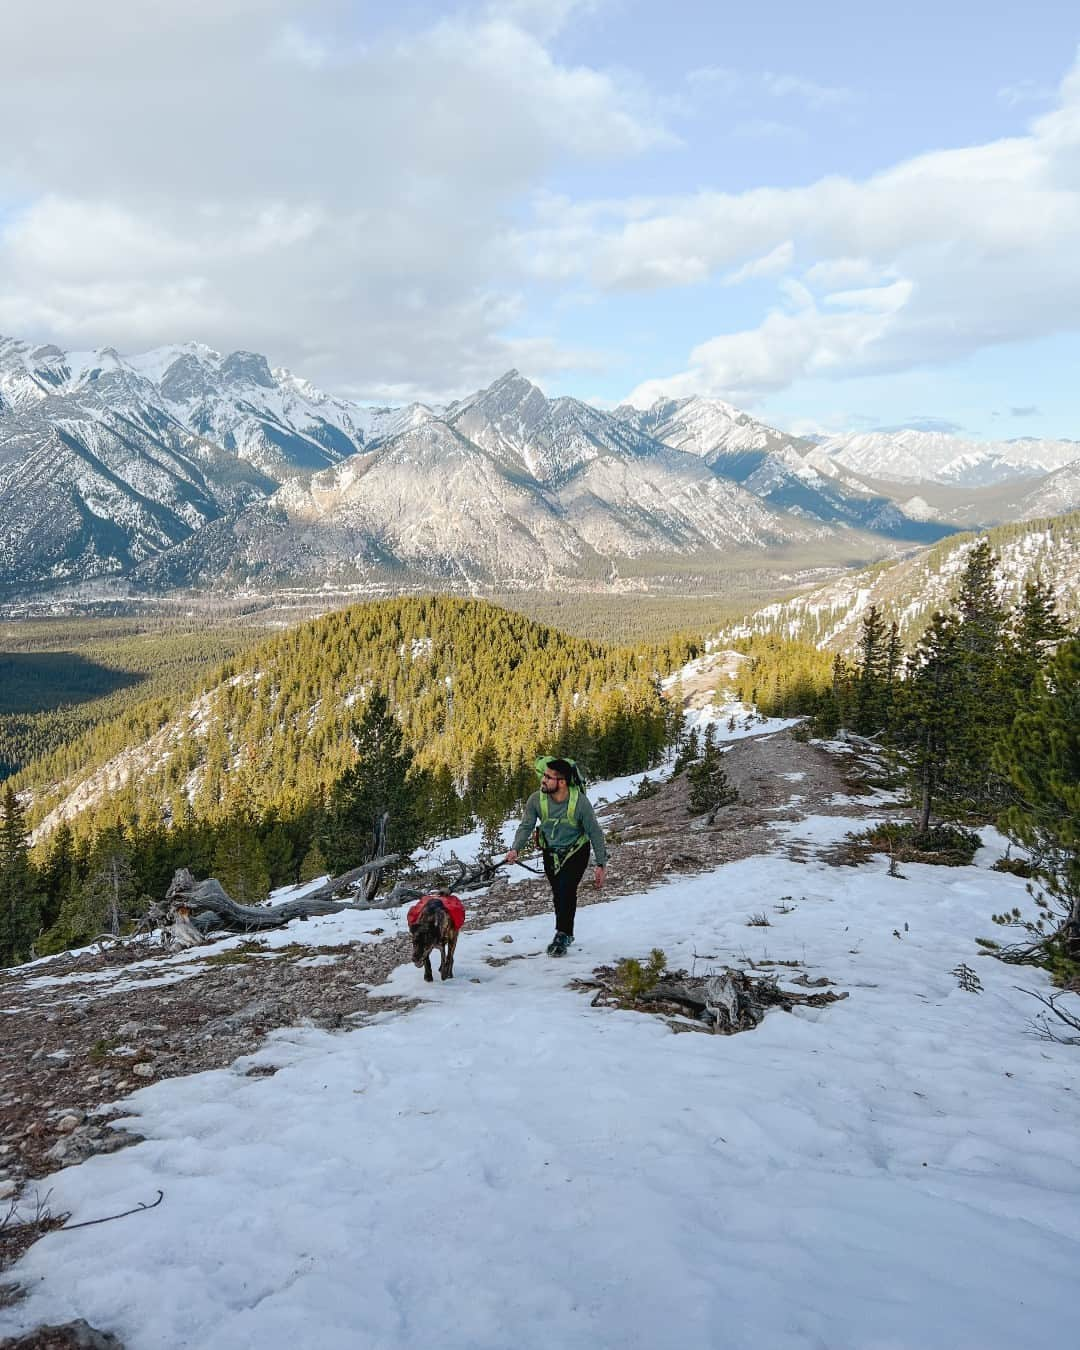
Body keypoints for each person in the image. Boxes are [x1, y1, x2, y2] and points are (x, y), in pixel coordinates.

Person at [505, 758, 607, 956]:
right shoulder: (536, 799)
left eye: (548, 777)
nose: (543, 780)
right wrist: (515, 849)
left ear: (561, 782)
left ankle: (562, 934)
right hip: (550, 852)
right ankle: (565, 932)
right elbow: (526, 825)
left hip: (577, 850)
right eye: (544, 775)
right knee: (558, 893)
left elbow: (594, 832)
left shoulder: (580, 803)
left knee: (567, 889)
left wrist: (601, 864)